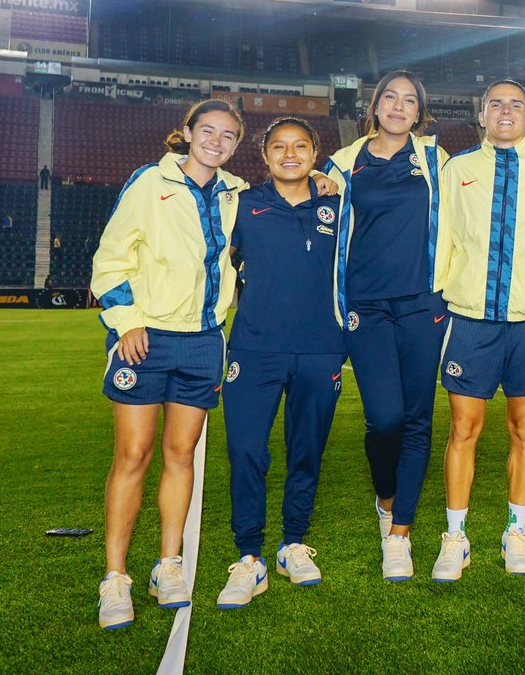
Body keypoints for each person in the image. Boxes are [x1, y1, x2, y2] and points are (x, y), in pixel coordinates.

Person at [91, 99, 246, 630]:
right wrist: (126, 320)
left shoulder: (235, 194)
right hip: (147, 338)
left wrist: (322, 178)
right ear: (186, 132)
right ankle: (115, 577)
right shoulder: (147, 182)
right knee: (133, 455)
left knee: (182, 456)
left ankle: (168, 565)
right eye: (208, 130)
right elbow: (110, 257)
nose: (217, 141)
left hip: (203, 341)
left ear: (236, 144)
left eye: (228, 135)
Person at [430, 79, 525, 582]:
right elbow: (441, 242)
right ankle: (456, 537)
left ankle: (516, 530)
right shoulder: (458, 169)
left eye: (516, 104)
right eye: (495, 103)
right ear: (481, 115)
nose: (506, 110)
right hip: (471, 318)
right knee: (463, 430)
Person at [322, 71, 449, 581]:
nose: (399, 106)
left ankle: (400, 533)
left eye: (410, 100)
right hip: (365, 306)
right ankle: (386, 500)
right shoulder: (342, 163)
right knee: (385, 419)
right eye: (390, 98)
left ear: (420, 112)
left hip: (423, 302)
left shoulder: (435, 160)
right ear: (374, 107)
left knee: (418, 419)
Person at [216, 117, 346, 608]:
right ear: (264, 155)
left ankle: (293, 542)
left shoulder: (339, 203)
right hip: (254, 348)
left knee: (306, 451)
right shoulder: (242, 206)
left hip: (321, 348)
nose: (289, 154)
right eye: (279, 147)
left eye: (300, 147)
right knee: (247, 450)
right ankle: (250, 556)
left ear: (316, 153)